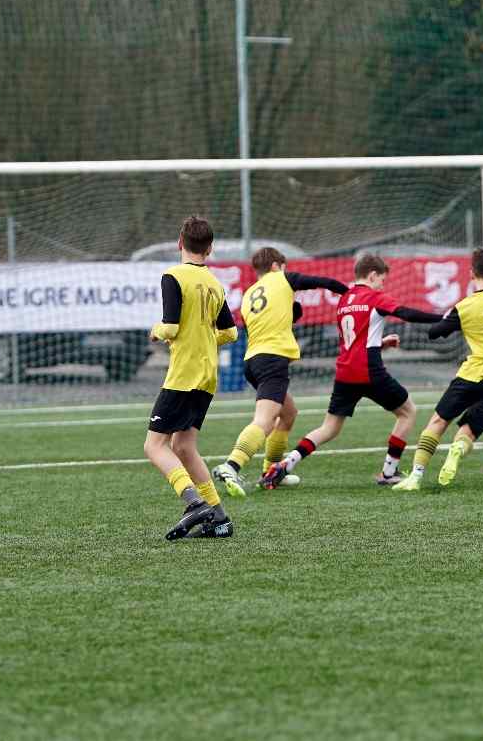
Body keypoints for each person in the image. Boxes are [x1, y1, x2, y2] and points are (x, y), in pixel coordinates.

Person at [258, 253, 445, 490]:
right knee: (408, 412)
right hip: (369, 370)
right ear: (373, 275)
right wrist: (444, 318)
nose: (382, 285)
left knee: (329, 428)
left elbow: (354, 339)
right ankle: (389, 472)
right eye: (382, 281)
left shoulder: (344, 300)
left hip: (345, 372)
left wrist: (381, 343)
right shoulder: (374, 297)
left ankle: (286, 464)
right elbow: (406, 313)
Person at [393, 248, 483, 491]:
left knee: (439, 421)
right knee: (468, 431)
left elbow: (435, 333)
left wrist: (450, 318)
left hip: (471, 376)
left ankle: (415, 477)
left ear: (471, 273)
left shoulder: (464, 308)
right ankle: (458, 449)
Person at [212, 247, 349, 497]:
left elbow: (271, 321)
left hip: (253, 361)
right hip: (272, 361)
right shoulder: (283, 277)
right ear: (276, 265)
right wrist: (351, 293)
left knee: (288, 414)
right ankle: (231, 465)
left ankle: (271, 472)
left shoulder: (249, 294)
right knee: (264, 421)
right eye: (283, 266)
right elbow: (322, 282)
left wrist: (290, 313)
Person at [143, 215, 239, 540]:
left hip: (183, 374)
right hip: (207, 376)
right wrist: (204, 338)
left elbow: (169, 327)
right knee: (184, 446)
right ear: (209, 248)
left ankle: (194, 502)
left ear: (179, 242)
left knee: (154, 446)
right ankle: (219, 517)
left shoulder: (173, 275)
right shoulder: (215, 282)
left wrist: (156, 333)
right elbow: (230, 333)